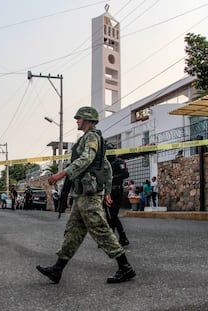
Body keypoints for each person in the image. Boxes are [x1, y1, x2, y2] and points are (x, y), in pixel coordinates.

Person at [36, 106, 136, 284]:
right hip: (82, 194)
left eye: (79, 118)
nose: (77, 121)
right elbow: (106, 166)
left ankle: (125, 267)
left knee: (100, 229)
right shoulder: (92, 138)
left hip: (89, 195)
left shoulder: (91, 137)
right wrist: (105, 190)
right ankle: (57, 269)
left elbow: (87, 159)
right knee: (73, 231)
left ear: (87, 119)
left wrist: (62, 173)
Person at [104, 142, 130, 247]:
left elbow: (126, 174)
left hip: (117, 190)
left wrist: (112, 178)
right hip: (107, 192)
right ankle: (111, 238)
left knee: (113, 215)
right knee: (109, 216)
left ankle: (123, 238)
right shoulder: (104, 163)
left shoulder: (119, 161)